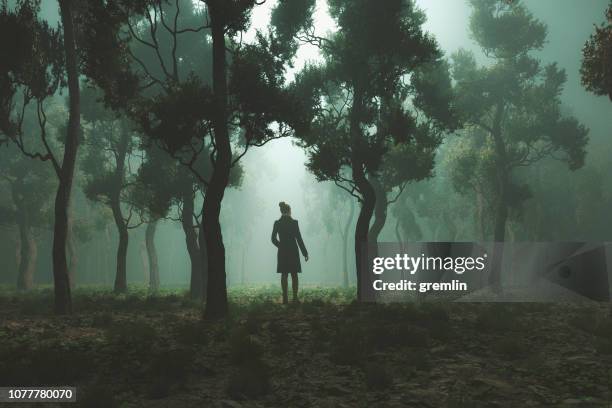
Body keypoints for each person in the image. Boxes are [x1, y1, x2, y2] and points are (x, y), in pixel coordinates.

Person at [271, 202, 308, 304]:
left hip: (282, 252)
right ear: (289, 211)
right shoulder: (294, 223)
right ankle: (295, 298)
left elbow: (273, 239)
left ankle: (285, 299)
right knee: (294, 274)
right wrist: (305, 253)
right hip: (293, 251)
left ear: (281, 211)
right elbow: (299, 239)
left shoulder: (277, 223)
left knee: (284, 274)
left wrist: (280, 246)